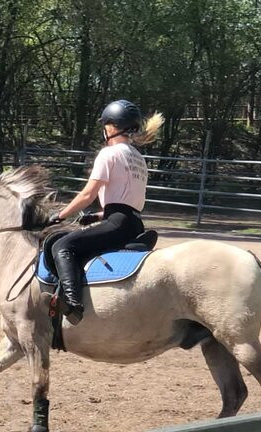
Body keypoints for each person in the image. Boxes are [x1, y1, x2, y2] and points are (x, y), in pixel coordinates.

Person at [48, 99, 163, 325]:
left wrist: (60, 215)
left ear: (111, 127)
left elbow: (87, 195)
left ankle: (73, 304)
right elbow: (128, 202)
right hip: (133, 224)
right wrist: (97, 216)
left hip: (117, 225)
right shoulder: (139, 159)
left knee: (62, 246)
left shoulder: (108, 154)